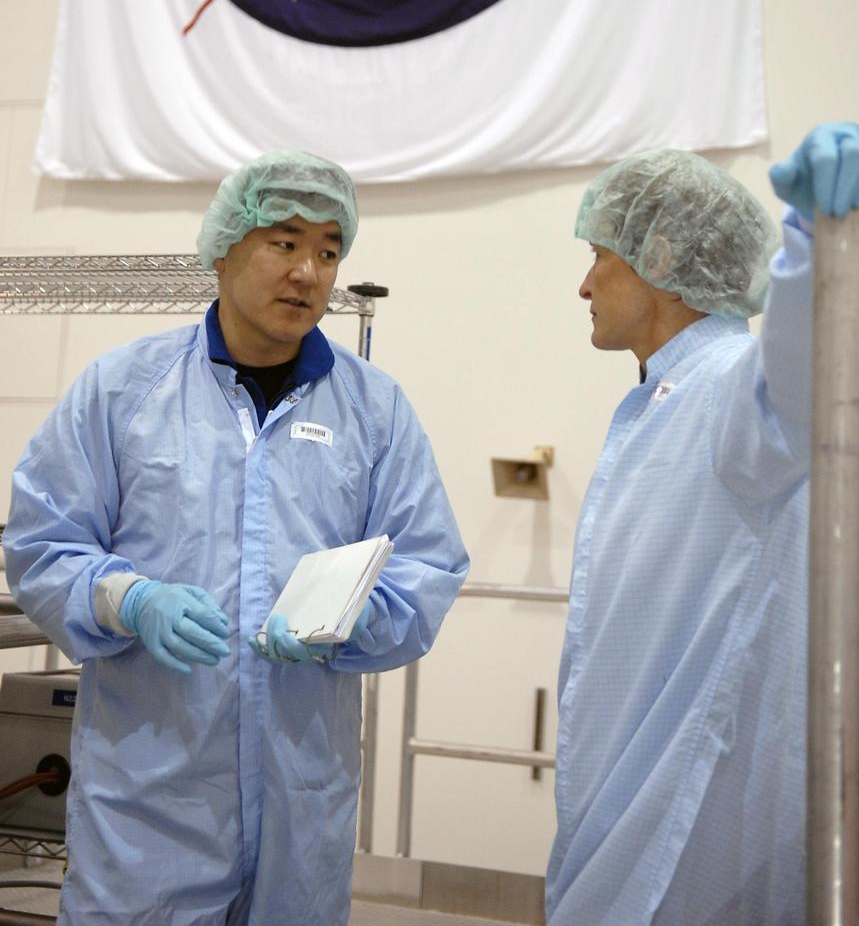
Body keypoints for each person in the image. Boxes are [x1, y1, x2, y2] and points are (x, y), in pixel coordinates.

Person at [5, 149, 469, 926]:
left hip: (302, 795)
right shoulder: (125, 392)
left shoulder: (374, 411)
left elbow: (426, 564)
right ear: (222, 248)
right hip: (152, 794)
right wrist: (128, 598)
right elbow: (43, 544)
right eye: (283, 241)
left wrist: (351, 617)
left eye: (328, 250)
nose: (308, 272)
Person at [546, 122, 859, 926]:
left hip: (689, 819)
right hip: (623, 787)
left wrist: (814, 244)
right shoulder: (660, 399)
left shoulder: (731, 392)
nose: (583, 286)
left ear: (657, 260)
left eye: (598, 256)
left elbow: (799, 366)